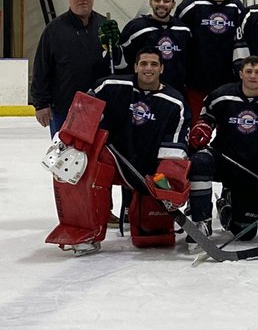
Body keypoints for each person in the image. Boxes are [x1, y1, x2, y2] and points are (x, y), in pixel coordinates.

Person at [45, 47, 190, 252]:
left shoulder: (175, 103)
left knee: (152, 238)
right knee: (77, 161)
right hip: (114, 157)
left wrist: (167, 180)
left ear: (162, 68)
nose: (148, 69)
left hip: (148, 168)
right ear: (136, 67)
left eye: (154, 64)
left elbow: (174, 149)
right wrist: (72, 141)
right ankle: (87, 232)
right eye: (144, 64)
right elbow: (84, 110)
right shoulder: (110, 85)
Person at [187, 55, 258, 241]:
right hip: (224, 159)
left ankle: (226, 207)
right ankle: (201, 221)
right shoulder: (222, 95)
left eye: (257, 72)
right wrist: (203, 126)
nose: (253, 76)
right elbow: (206, 116)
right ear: (241, 73)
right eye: (248, 71)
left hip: (252, 169)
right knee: (200, 160)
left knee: (245, 233)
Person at [31, 0, 121, 136]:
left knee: (98, 158)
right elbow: (41, 67)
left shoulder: (105, 27)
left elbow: (118, 64)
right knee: (65, 158)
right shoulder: (54, 29)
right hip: (64, 109)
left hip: (100, 109)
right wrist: (41, 104)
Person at [177, 0, 246, 123]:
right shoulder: (191, 5)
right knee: (196, 124)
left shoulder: (235, 6)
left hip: (227, 81)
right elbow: (176, 35)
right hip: (196, 81)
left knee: (224, 124)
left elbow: (244, 39)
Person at [118, 0, 191, 95]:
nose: (161, 4)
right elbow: (121, 62)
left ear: (173, 4)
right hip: (142, 94)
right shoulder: (136, 28)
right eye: (157, 0)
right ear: (150, 2)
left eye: (166, 1)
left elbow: (189, 61)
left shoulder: (183, 30)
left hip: (175, 92)